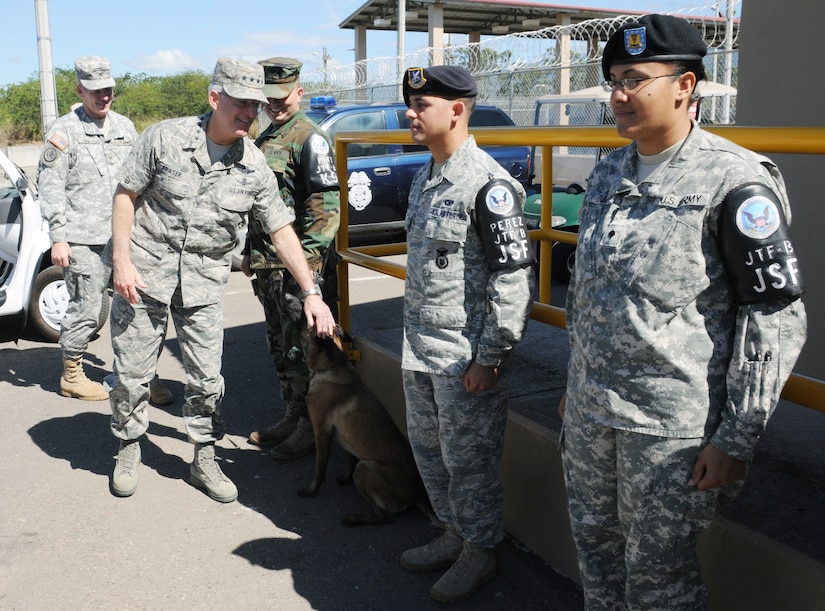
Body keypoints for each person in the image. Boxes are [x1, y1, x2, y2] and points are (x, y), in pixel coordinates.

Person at [559, 15, 807, 610]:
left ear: (685, 86)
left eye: (636, 79)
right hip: (594, 413)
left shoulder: (735, 179)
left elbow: (773, 317)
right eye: (614, 79)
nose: (619, 95)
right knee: (595, 553)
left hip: (671, 429)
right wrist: (576, 381)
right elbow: (591, 292)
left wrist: (736, 437)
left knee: (658, 582)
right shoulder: (611, 171)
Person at [105, 57, 335, 503]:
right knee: (133, 374)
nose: (253, 112)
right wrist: (121, 260)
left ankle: (203, 456)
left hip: (203, 283)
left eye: (258, 104)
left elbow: (281, 230)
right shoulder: (164, 138)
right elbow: (125, 194)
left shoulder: (252, 164)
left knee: (207, 379)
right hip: (145, 274)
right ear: (215, 98)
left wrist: (311, 292)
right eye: (243, 104)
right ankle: (129, 446)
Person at [397, 66, 535, 604]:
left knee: (469, 463)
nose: (410, 113)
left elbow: (512, 280)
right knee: (430, 454)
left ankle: (479, 549)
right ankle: (453, 534)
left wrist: (492, 356)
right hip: (420, 347)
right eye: (410, 103)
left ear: (456, 110)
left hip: (464, 357)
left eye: (420, 104)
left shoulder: (490, 185)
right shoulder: (425, 175)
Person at [244, 57, 341, 460]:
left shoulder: (309, 138)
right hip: (269, 268)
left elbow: (326, 206)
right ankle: (292, 414)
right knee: (281, 348)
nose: (274, 105)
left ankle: (309, 427)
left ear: (299, 92)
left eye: (281, 98)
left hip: (297, 270)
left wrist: (311, 264)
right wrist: (250, 253)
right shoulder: (268, 136)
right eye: (268, 99)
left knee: (305, 352)